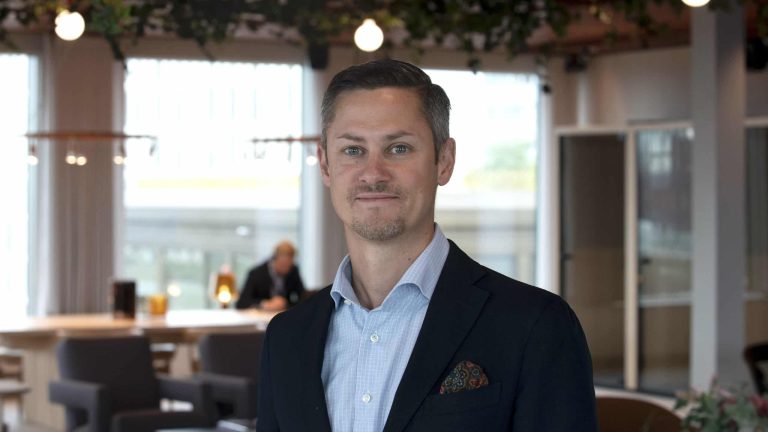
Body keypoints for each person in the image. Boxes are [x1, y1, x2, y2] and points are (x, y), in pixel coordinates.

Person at [257, 59, 597, 431]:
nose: (373, 173)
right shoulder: (286, 338)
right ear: (325, 165)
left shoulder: (535, 325)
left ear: (444, 161)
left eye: (399, 148)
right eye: (353, 150)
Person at [235, 241, 305, 310]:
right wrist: (265, 304)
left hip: (284, 315)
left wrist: (286, 304)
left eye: (288, 265)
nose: (286, 268)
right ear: (274, 259)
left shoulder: (293, 271)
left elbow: (303, 297)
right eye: (283, 264)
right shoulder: (256, 273)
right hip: (262, 315)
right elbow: (241, 303)